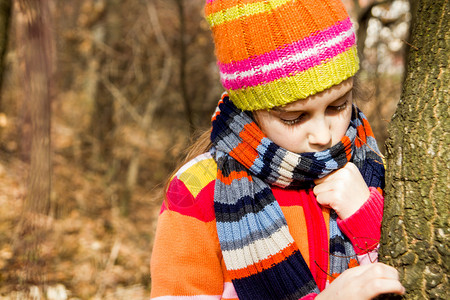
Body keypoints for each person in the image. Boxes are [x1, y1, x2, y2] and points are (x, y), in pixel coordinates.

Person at [150, 0, 405, 299]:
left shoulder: (375, 170)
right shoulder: (198, 192)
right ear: (251, 110)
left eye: (338, 106)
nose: (323, 136)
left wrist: (366, 218)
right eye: (294, 117)